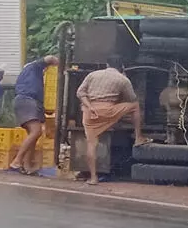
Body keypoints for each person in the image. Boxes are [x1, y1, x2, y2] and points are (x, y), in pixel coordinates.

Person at [76, 57, 152, 185]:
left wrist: (89, 106)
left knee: (91, 144)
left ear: (107, 64)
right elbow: (131, 98)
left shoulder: (92, 74)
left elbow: (80, 92)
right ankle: (138, 137)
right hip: (108, 110)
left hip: (90, 113)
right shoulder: (122, 79)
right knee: (135, 106)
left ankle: (93, 178)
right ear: (121, 66)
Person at [9, 55, 60, 175]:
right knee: (36, 131)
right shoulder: (34, 67)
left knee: (33, 134)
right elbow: (50, 58)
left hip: (25, 101)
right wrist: (61, 65)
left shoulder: (25, 75)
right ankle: (16, 162)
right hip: (28, 100)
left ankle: (27, 166)